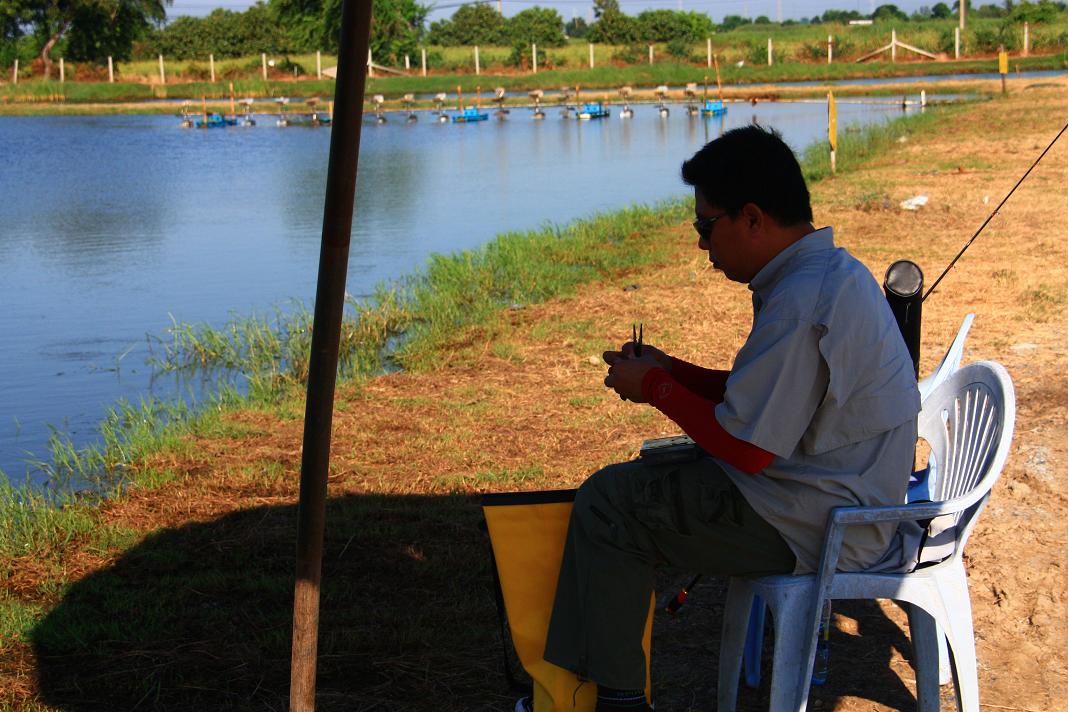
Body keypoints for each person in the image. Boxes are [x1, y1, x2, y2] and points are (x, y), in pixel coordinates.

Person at [523, 125, 921, 712]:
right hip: (831, 493)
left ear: (753, 218)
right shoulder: (827, 272)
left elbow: (748, 448)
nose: (702, 247)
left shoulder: (800, 301)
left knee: (611, 503)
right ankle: (588, 686)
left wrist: (656, 388)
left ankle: (614, 699)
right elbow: (758, 396)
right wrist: (673, 371)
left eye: (705, 228)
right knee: (639, 480)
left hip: (820, 519)